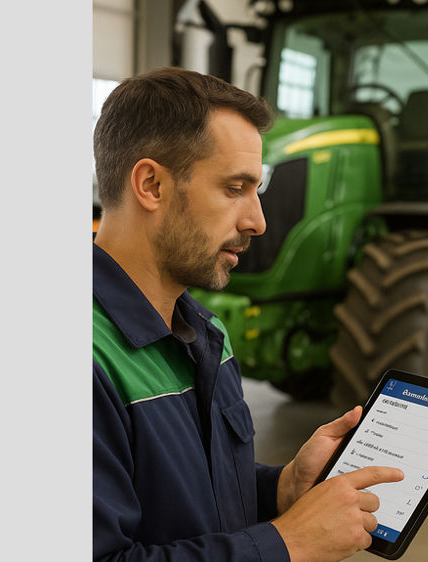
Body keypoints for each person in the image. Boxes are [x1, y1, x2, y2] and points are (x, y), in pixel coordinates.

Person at [92, 67, 404, 562]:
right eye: (235, 189)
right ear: (151, 184)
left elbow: (188, 503)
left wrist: (282, 488)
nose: (257, 220)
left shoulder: (206, 334)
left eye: (256, 191)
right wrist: (289, 542)